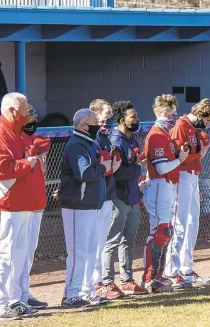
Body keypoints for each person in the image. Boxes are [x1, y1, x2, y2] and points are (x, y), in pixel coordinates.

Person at [0, 93, 43, 319]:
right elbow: (0, 170)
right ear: (10, 111)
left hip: (22, 205)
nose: (27, 114)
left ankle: (14, 299)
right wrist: (26, 164)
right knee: (3, 256)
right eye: (23, 111)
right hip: (4, 205)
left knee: (18, 255)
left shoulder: (18, 134)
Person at [59, 108, 112, 308]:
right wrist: (103, 167)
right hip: (77, 206)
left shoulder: (87, 143)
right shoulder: (77, 145)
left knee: (89, 251)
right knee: (77, 253)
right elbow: (84, 173)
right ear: (83, 126)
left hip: (88, 205)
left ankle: (83, 291)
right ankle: (70, 294)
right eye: (94, 123)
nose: (97, 126)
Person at [164, 98, 210, 286]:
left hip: (193, 176)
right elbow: (178, 157)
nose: (209, 123)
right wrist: (199, 154)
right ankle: (171, 271)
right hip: (182, 176)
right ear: (201, 114)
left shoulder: (193, 128)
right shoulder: (181, 125)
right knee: (179, 223)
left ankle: (186, 268)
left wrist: (198, 155)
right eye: (208, 119)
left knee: (192, 223)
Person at [101, 100, 148, 298]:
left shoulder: (131, 139)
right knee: (112, 241)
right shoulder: (116, 140)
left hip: (132, 195)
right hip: (118, 197)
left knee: (128, 241)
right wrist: (138, 168)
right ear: (122, 120)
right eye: (133, 116)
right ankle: (107, 282)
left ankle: (127, 280)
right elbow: (116, 173)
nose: (136, 119)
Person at [141, 95, 187, 293]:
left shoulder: (164, 133)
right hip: (159, 185)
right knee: (159, 231)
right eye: (173, 114)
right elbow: (160, 168)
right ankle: (151, 278)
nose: (175, 118)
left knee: (166, 231)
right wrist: (180, 159)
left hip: (166, 185)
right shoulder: (158, 134)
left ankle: (158, 276)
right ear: (165, 113)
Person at [88, 99, 121, 299]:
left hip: (108, 192)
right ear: (96, 115)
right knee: (95, 242)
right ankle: (94, 283)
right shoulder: (94, 139)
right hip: (97, 195)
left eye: (110, 114)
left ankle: (99, 281)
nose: (109, 118)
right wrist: (111, 168)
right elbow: (95, 169)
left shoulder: (106, 137)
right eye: (106, 114)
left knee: (102, 240)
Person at [19, 102, 51, 310]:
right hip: (18, 204)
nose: (33, 119)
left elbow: (44, 171)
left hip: (36, 201)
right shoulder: (14, 139)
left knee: (29, 250)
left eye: (33, 115)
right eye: (29, 115)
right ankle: (14, 296)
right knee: (15, 252)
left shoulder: (35, 140)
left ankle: (24, 292)